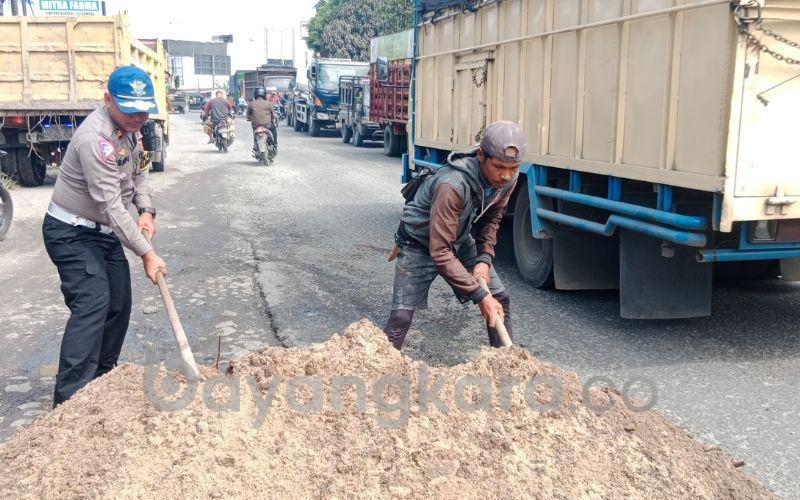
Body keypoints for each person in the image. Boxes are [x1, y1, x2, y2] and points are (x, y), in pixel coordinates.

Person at [42, 65, 168, 405]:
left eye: (143, 109)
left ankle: (100, 380)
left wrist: (145, 210)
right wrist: (146, 252)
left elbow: (139, 174)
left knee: (119, 303)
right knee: (93, 303)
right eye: (129, 109)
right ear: (108, 99)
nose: (138, 117)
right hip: (70, 232)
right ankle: (69, 401)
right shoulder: (94, 139)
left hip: (103, 232)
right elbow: (111, 206)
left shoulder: (133, 130)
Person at [383, 121, 525, 350]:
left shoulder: (507, 180)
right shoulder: (452, 185)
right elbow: (440, 252)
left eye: (514, 168)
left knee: (500, 300)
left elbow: (491, 219)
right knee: (401, 317)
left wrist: (484, 260)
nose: (506, 175)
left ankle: (505, 368)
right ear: (481, 155)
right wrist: (481, 296)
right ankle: (382, 372)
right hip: (418, 243)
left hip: (457, 238)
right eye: (499, 167)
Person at [247, 86, 277, 152]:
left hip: (256, 125)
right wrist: (272, 118)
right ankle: (275, 143)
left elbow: (248, 115)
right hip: (267, 125)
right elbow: (273, 115)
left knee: (254, 131)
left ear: (255, 94)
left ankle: (255, 144)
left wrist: (249, 119)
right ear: (264, 94)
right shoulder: (269, 103)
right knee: (274, 129)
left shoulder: (251, 104)